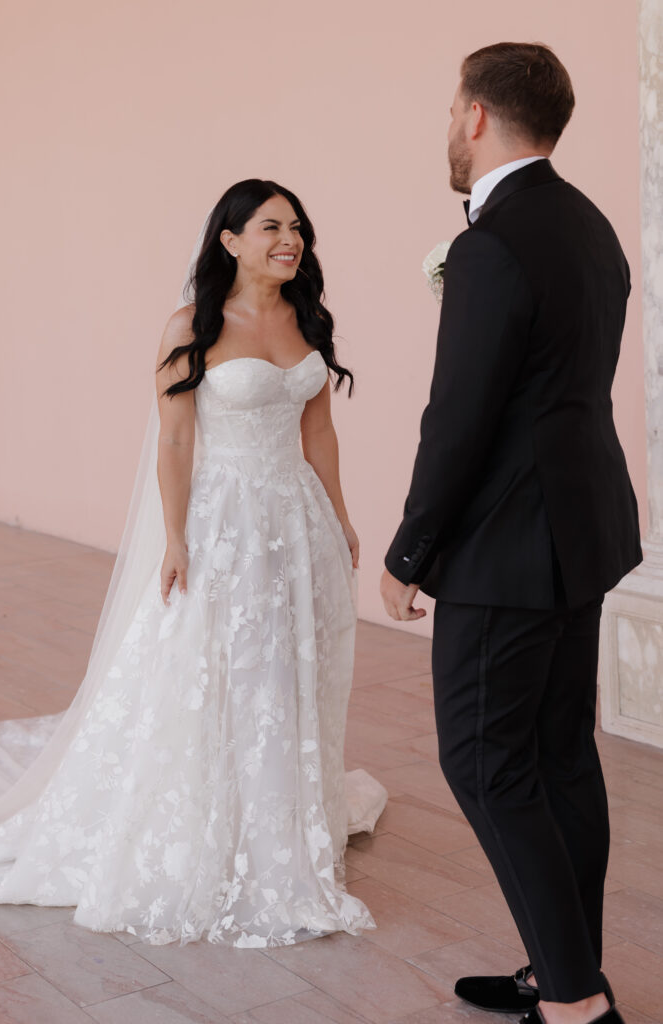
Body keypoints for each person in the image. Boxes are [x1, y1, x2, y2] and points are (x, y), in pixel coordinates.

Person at [0, 178, 386, 947]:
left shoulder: (306, 319)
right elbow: (176, 440)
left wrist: (338, 517)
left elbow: (319, 434)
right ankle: (210, 813)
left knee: (289, 667)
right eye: (271, 226)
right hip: (225, 520)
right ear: (229, 240)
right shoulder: (192, 325)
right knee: (219, 665)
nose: (291, 240)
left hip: (295, 520)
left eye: (298, 228)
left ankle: (278, 807)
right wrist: (176, 539)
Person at [380, 43, 640, 1024]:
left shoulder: (492, 242)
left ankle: (573, 1002)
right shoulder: (588, 226)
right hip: (581, 529)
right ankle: (562, 965)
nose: (450, 124)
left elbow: (462, 416)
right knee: (557, 752)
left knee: (485, 760)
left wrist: (412, 551)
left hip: (505, 546)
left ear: (478, 114)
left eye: (453, 106)